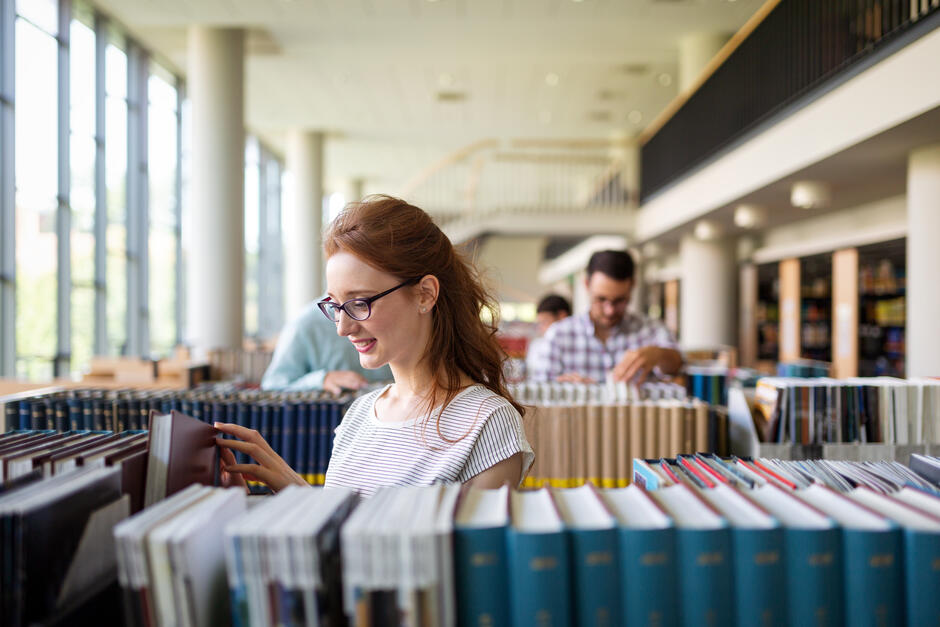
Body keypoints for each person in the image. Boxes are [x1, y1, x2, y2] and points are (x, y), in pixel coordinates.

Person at [214, 195, 534, 497]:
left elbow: (455, 555)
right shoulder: (360, 415)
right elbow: (345, 536)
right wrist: (289, 494)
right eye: (336, 305)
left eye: (359, 303)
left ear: (425, 294)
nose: (343, 327)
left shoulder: (488, 422)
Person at [529, 250, 682, 384]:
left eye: (620, 300)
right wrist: (564, 390)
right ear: (587, 285)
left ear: (632, 286)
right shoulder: (558, 335)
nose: (610, 311)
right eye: (601, 299)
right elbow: (540, 391)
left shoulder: (652, 329)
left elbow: (677, 366)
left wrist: (659, 354)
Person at [260, 296, 392, 394]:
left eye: (360, 304)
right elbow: (272, 385)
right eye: (335, 308)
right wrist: (321, 380)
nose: (342, 330)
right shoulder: (304, 324)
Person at [525, 293, 571, 378]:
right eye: (539, 323)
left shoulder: (578, 345)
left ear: (562, 317)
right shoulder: (536, 346)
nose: (541, 329)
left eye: (544, 322)